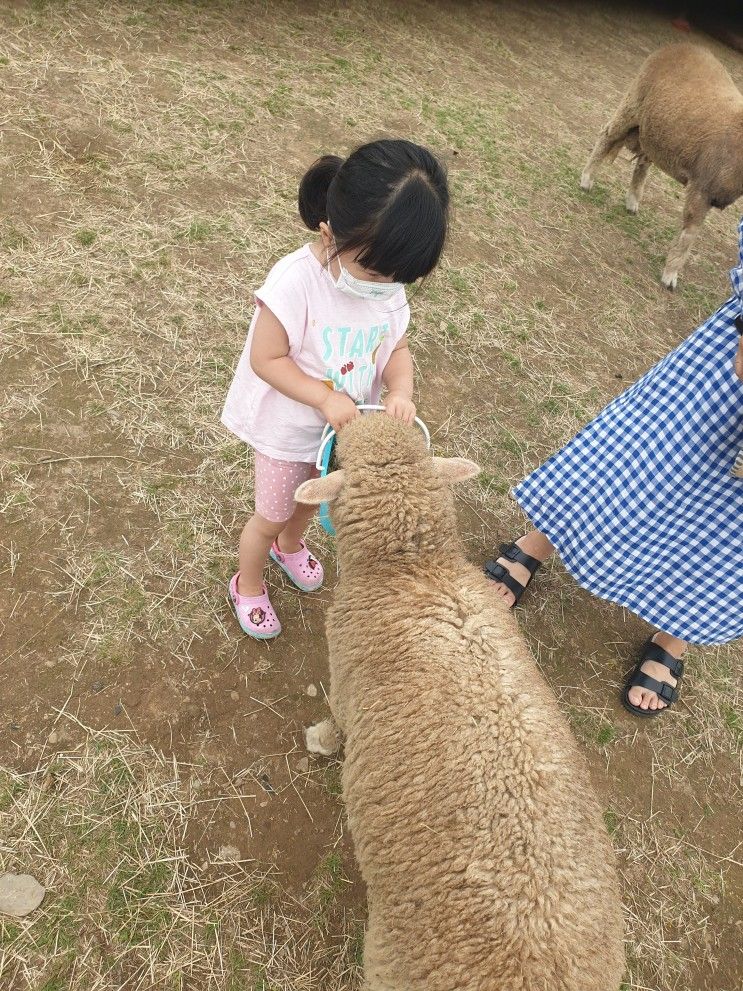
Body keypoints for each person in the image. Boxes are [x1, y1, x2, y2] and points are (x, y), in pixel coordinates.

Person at [484, 219, 743, 717]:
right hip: (732, 371)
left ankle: (675, 637)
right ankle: (538, 543)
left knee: (731, 538)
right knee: (637, 461)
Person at [221, 139, 449, 639]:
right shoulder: (294, 283)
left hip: (338, 435)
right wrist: (324, 396)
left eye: (399, 277)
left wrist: (400, 390)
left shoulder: (387, 288)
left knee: (313, 498)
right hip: (289, 429)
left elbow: (398, 349)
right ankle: (250, 581)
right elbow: (266, 358)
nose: (386, 285)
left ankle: (291, 545)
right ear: (330, 233)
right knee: (271, 512)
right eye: (374, 270)